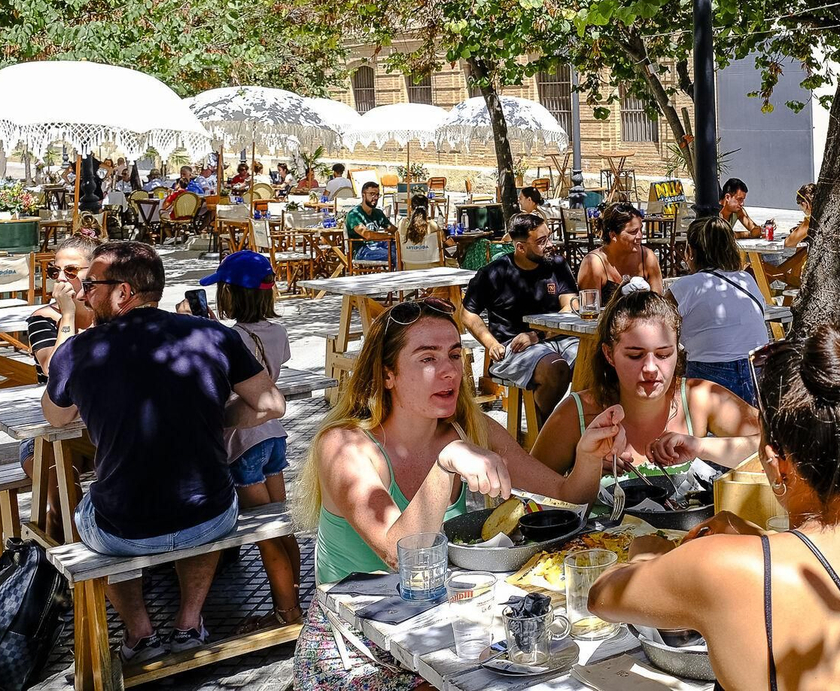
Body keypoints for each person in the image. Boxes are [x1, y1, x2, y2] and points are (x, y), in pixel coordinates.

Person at [587, 323, 840, 691]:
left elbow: (602, 597)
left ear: (777, 463)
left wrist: (649, 551)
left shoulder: (717, 566)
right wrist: (760, 540)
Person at [293, 298, 624, 691]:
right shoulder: (344, 446)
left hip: (441, 634)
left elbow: (565, 496)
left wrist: (587, 456)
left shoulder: (470, 428)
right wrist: (445, 463)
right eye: (427, 358)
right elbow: (397, 554)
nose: (449, 370)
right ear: (387, 375)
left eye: (454, 354)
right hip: (354, 646)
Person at [42, 241, 286, 661]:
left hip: (122, 528)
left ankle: (140, 633)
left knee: (84, 511)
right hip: (208, 517)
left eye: (91, 284)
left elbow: (56, 418)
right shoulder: (213, 334)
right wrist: (213, 416)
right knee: (206, 498)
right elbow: (270, 405)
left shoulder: (78, 350)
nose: (82, 294)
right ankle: (189, 623)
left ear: (122, 293)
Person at [532, 284, 761, 478]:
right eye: (635, 355)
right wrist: (583, 472)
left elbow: (780, 448)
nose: (651, 369)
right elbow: (525, 492)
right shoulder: (577, 413)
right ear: (609, 354)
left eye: (663, 355)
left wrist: (700, 446)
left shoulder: (699, 398)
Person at [199, 251, 300, 633]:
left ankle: (286, 613)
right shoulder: (278, 331)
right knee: (281, 523)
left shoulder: (232, 337)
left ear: (230, 295)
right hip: (274, 436)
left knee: (263, 534)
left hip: (243, 440)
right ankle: (296, 599)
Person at [460, 212, 580, 421]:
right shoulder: (494, 273)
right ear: (521, 247)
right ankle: (546, 431)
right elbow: (468, 313)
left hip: (558, 338)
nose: (550, 244)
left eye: (549, 236)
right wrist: (491, 343)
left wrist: (538, 335)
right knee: (555, 368)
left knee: (596, 361)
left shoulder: (557, 265)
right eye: (541, 241)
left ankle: (575, 425)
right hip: (514, 346)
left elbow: (571, 307)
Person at [21, 236, 98, 517]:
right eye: (56, 272)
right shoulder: (42, 318)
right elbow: (54, 370)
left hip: (105, 426)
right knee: (61, 494)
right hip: (52, 434)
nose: (62, 279)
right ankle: (62, 553)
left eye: (72, 271)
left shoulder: (110, 315)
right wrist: (67, 316)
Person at [666, 217, 772, 405]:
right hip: (757, 371)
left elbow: (657, 326)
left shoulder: (687, 286)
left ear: (691, 251)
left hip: (710, 373)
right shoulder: (746, 280)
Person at [579, 202, 665, 303]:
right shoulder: (594, 263)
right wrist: (619, 295)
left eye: (641, 229)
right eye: (633, 232)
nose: (640, 236)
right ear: (613, 235)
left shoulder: (647, 257)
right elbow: (590, 307)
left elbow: (659, 303)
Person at [763, 182, 815, 287]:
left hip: (810, 270)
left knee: (762, 267)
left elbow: (789, 243)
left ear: (805, 204)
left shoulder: (810, 221)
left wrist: (799, 230)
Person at [345, 181, 394, 261]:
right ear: (363, 195)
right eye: (372, 194)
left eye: (377, 195)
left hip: (378, 245)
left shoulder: (378, 213)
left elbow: (392, 229)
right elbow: (367, 234)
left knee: (401, 251)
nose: (375, 197)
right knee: (393, 255)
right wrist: (390, 236)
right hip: (361, 250)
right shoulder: (354, 214)